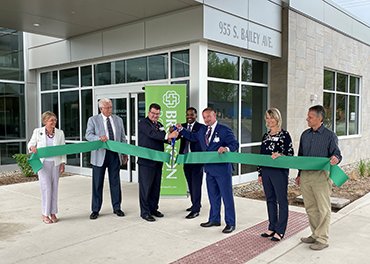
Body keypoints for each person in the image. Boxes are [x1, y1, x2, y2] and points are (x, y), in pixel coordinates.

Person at [178, 107, 239, 233]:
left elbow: (234, 144)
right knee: (213, 196)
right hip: (209, 170)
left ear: (214, 115)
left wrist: (226, 148)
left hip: (222, 170)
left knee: (227, 197)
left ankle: (230, 223)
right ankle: (214, 219)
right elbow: (192, 136)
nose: (206, 119)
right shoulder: (202, 130)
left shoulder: (224, 130)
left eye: (208, 116)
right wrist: (181, 129)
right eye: (204, 117)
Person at [296, 105, 342, 250]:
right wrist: (299, 174)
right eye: (308, 116)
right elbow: (301, 156)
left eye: (310, 117)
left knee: (323, 208)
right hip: (306, 175)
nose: (307, 119)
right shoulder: (305, 134)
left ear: (319, 118)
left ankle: (322, 239)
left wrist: (335, 158)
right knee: (310, 207)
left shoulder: (330, 136)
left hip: (321, 176)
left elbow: (337, 154)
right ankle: (315, 234)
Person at [85, 98, 128, 220]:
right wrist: (98, 138)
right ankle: (95, 209)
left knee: (115, 182)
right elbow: (88, 135)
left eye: (110, 107)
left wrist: (125, 153)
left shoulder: (118, 120)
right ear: (101, 109)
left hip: (114, 155)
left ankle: (117, 207)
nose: (109, 109)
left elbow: (122, 137)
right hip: (99, 155)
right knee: (97, 184)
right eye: (107, 107)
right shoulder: (93, 120)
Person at [137, 103, 178, 222]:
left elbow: (161, 138)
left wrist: (171, 138)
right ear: (148, 112)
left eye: (157, 114)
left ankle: (153, 208)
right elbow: (152, 134)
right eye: (153, 113)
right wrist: (168, 135)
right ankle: (145, 212)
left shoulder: (159, 124)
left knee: (155, 187)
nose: (155, 115)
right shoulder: (143, 123)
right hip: (146, 161)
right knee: (146, 188)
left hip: (158, 160)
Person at [258, 108, 294, 242]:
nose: (269, 120)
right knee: (270, 199)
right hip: (266, 171)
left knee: (281, 201)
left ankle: (280, 230)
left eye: (271, 118)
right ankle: (272, 227)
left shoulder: (285, 135)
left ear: (277, 118)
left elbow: (290, 154)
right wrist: (260, 173)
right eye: (267, 118)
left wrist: (281, 155)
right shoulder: (265, 136)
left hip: (279, 172)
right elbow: (261, 155)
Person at [28, 111, 66, 224]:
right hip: (43, 164)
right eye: (51, 120)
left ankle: (53, 212)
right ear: (45, 121)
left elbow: (63, 149)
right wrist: (32, 148)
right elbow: (30, 144)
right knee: (46, 188)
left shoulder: (60, 133)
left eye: (55, 120)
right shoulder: (37, 131)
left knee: (54, 188)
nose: (54, 122)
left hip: (56, 163)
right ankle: (45, 214)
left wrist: (63, 163)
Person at [178, 107, 204, 219]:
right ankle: (195, 203)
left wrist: (182, 130)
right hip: (186, 160)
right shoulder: (182, 126)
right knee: (190, 184)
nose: (189, 117)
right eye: (187, 114)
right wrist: (172, 131)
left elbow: (194, 138)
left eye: (192, 115)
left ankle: (196, 209)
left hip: (196, 160)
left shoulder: (201, 128)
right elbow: (177, 136)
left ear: (196, 115)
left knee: (196, 185)